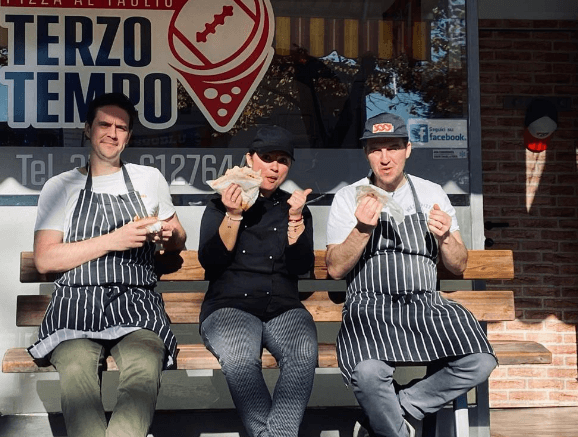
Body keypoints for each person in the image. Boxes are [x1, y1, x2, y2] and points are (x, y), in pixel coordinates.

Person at [325, 113, 497, 437]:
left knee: (480, 360)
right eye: (376, 149)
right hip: (370, 310)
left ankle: (396, 409)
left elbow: (459, 265)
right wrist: (362, 229)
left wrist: (445, 237)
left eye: (393, 147)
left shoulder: (432, 194)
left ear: (408, 149)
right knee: (367, 374)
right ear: (366, 153)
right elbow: (334, 268)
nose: (385, 158)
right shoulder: (350, 197)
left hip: (425, 306)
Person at [28, 92, 186, 437]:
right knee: (76, 368)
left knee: (145, 365)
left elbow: (178, 237)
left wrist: (170, 235)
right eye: (104, 125)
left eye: (121, 128)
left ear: (129, 135)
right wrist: (113, 240)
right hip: (76, 304)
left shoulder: (149, 179)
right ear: (88, 129)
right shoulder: (61, 186)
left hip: (136, 303)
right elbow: (44, 259)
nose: (112, 134)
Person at [198, 125, 318, 437]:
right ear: (250, 159)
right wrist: (233, 214)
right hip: (230, 307)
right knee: (239, 358)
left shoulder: (294, 207)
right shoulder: (219, 203)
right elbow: (211, 262)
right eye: (267, 158)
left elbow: (301, 266)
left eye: (283, 160)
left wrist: (296, 219)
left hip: (283, 307)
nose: (274, 167)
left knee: (303, 353)